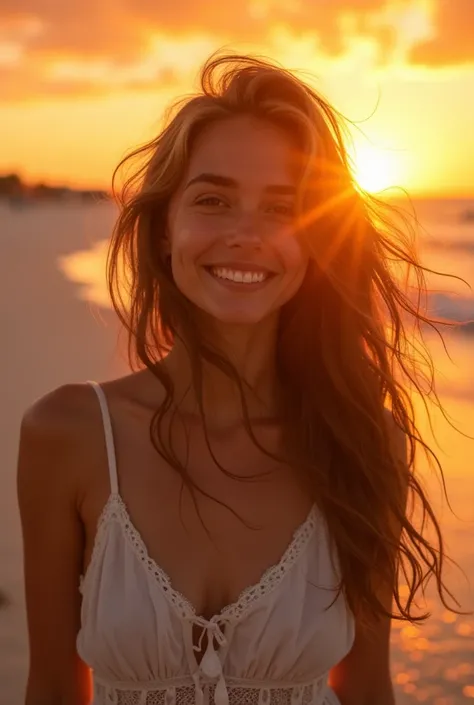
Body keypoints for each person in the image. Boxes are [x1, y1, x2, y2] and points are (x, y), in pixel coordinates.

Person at [17, 52, 462, 705]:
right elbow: (53, 687)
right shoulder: (73, 435)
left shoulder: (362, 443)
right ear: (165, 228)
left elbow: (366, 684)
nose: (246, 235)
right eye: (214, 200)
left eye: (282, 208)